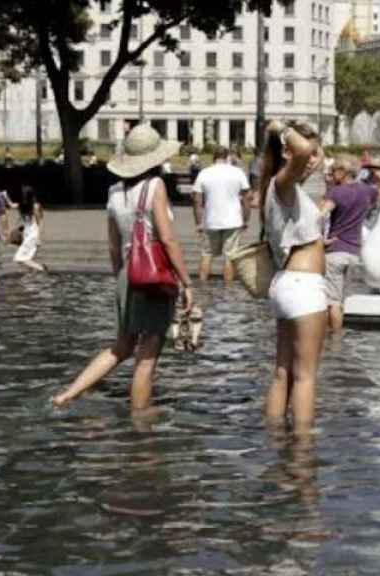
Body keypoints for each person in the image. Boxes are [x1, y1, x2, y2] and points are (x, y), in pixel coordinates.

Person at [52, 125, 194, 413]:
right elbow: (166, 238)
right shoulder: (156, 186)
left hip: (127, 275)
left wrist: (122, 278)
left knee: (121, 346)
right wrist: (187, 283)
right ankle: (140, 420)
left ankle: (68, 394)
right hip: (153, 277)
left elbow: (113, 246)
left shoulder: (114, 192)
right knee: (148, 355)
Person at [260, 120, 326, 433]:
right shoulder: (283, 182)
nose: (312, 159)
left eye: (316, 153)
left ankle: (275, 438)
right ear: (288, 152)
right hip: (303, 287)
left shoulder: (281, 186)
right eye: (309, 153)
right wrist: (279, 128)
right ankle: (302, 453)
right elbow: (299, 150)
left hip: (287, 284)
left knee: (283, 372)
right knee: (306, 375)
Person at [319, 154, 380, 332]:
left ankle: (334, 342)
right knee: (342, 300)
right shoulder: (366, 191)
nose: (330, 173)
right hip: (354, 252)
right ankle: (340, 340)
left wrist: (321, 240)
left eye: (333, 170)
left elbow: (319, 215)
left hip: (335, 251)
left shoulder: (336, 193)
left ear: (343, 172)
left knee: (331, 302)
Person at [192, 147, 251, 285]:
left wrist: (198, 222)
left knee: (206, 254)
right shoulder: (238, 172)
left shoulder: (204, 173)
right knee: (229, 256)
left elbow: (197, 200)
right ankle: (228, 289)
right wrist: (246, 218)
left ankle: (202, 287)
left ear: (214, 157)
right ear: (227, 157)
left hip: (211, 220)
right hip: (233, 220)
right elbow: (247, 198)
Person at [13, 185, 48, 273]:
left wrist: (38, 238)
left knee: (19, 258)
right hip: (27, 233)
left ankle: (41, 268)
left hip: (33, 234)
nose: (23, 198)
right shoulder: (22, 206)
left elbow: (40, 223)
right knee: (28, 258)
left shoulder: (35, 206)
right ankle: (32, 277)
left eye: (25, 195)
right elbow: (12, 205)